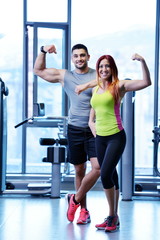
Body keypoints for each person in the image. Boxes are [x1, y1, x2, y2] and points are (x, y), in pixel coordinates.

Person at [75, 53, 151, 232]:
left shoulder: (120, 86)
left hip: (116, 136)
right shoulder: (96, 88)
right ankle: (113, 218)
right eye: (101, 66)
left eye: (107, 66)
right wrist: (92, 127)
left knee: (106, 175)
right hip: (100, 138)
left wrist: (143, 61)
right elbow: (93, 113)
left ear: (112, 68)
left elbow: (146, 82)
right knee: (112, 176)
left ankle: (112, 216)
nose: (103, 69)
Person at [33, 44, 100, 224]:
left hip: (95, 129)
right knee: (79, 170)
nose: (79, 59)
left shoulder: (97, 74)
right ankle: (83, 211)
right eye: (76, 56)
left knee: (98, 167)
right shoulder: (66, 76)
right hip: (75, 129)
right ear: (72, 58)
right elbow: (38, 70)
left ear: (88, 56)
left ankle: (74, 200)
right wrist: (43, 51)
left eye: (82, 55)